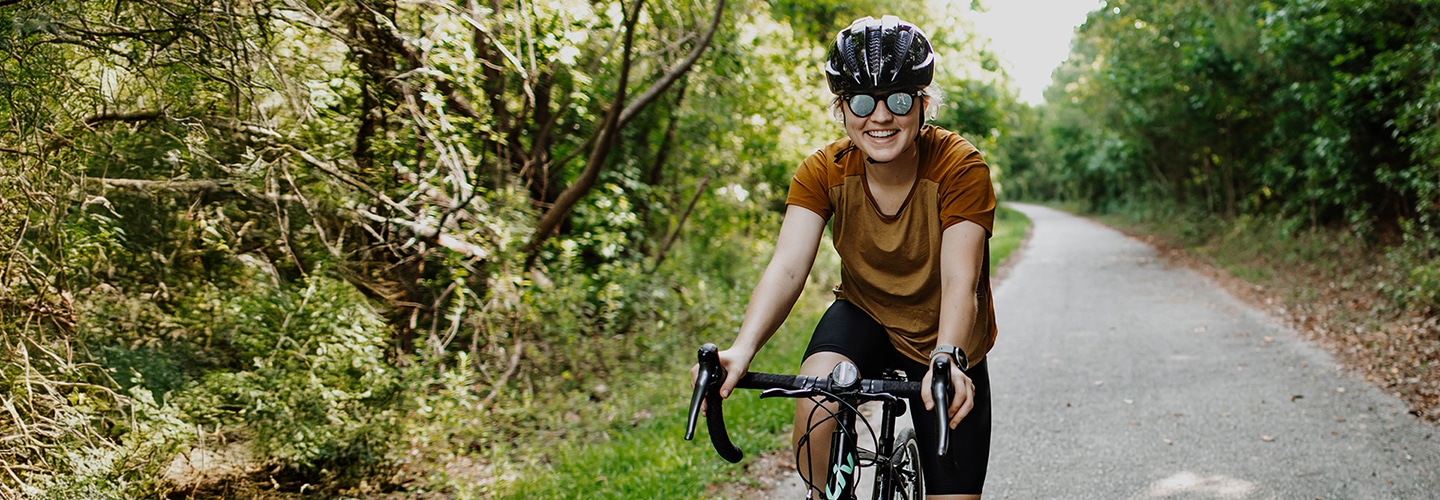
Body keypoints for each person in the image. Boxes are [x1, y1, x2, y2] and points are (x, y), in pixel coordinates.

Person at [695, 15, 998, 499]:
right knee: (815, 398)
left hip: (943, 337)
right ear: (841, 107)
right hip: (865, 312)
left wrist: (948, 355)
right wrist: (743, 347)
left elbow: (962, 280)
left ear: (923, 104)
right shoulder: (823, 170)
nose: (880, 117)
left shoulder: (960, 167)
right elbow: (789, 266)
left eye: (898, 99)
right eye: (861, 101)